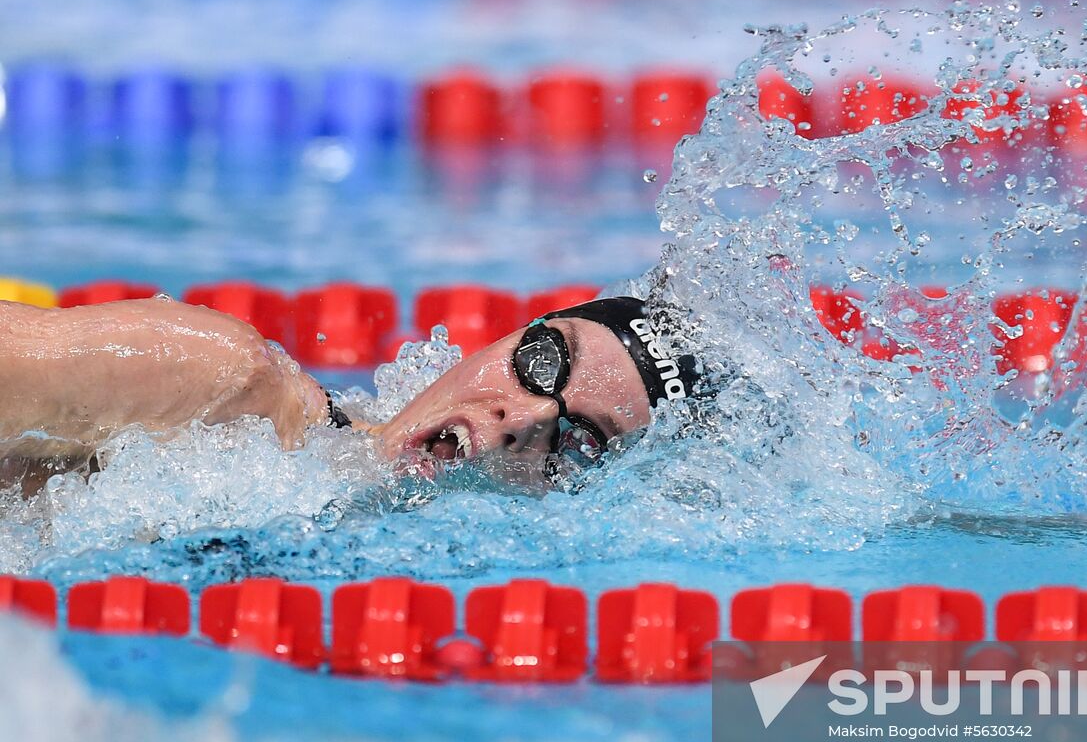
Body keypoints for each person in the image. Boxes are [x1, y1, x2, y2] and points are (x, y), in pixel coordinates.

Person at [0, 293, 701, 494]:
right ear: (507, 335)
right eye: (543, 365)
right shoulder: (221, 381)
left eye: (579, 439)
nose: (521, 420)